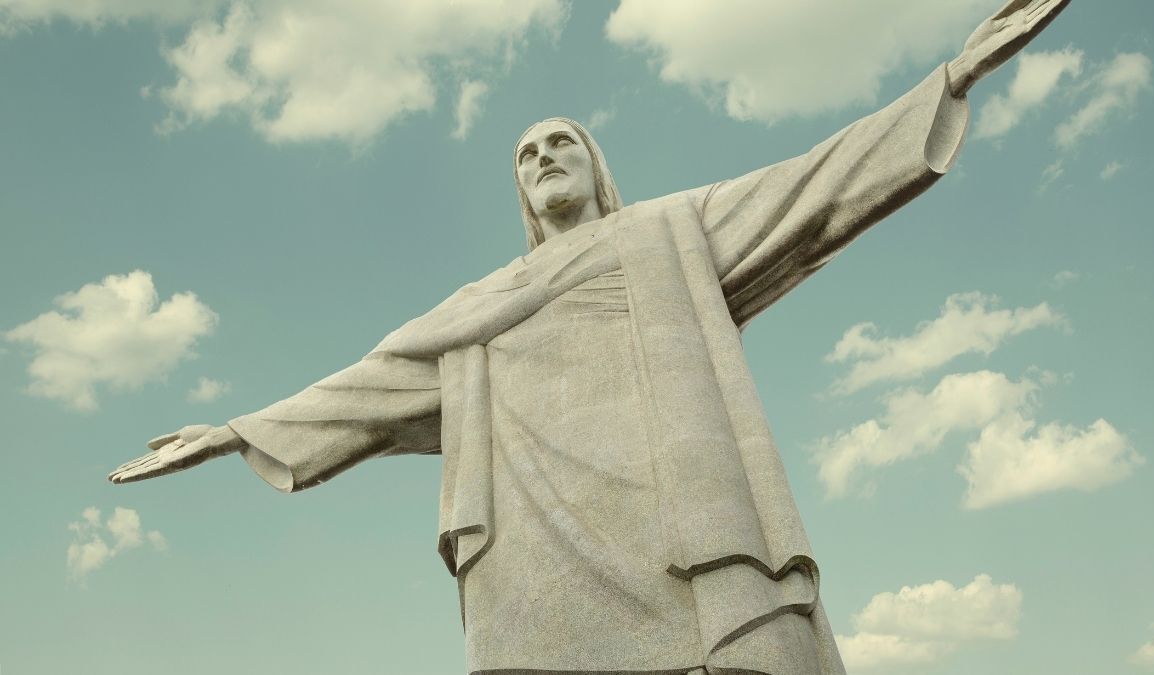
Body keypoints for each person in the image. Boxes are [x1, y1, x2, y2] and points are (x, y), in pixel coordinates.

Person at [109, 2, 1071, 673]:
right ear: (518, 193)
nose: (543, 158)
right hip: (538, 558)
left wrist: (953, 74)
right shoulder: (476, 304)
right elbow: (366, 384)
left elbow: (812, 188)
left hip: (679, 524)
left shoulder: (668, 231)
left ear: (596, 165)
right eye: (525, 155)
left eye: (560, 142)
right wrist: (236, 429)